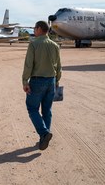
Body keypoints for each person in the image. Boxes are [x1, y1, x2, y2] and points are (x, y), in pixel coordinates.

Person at [22, 20, 61, 150]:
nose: (33, 30)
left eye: (34, 28)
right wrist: (57, 81)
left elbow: (29, 65)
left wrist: (25, 81)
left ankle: (44, 134)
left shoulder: (33, 44)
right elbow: (59, 66)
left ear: (39, 29)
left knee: (32, 108)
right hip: (51, 81)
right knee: (47, 110)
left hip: (37, 81)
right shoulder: (55, 45)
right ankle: (44, 137)